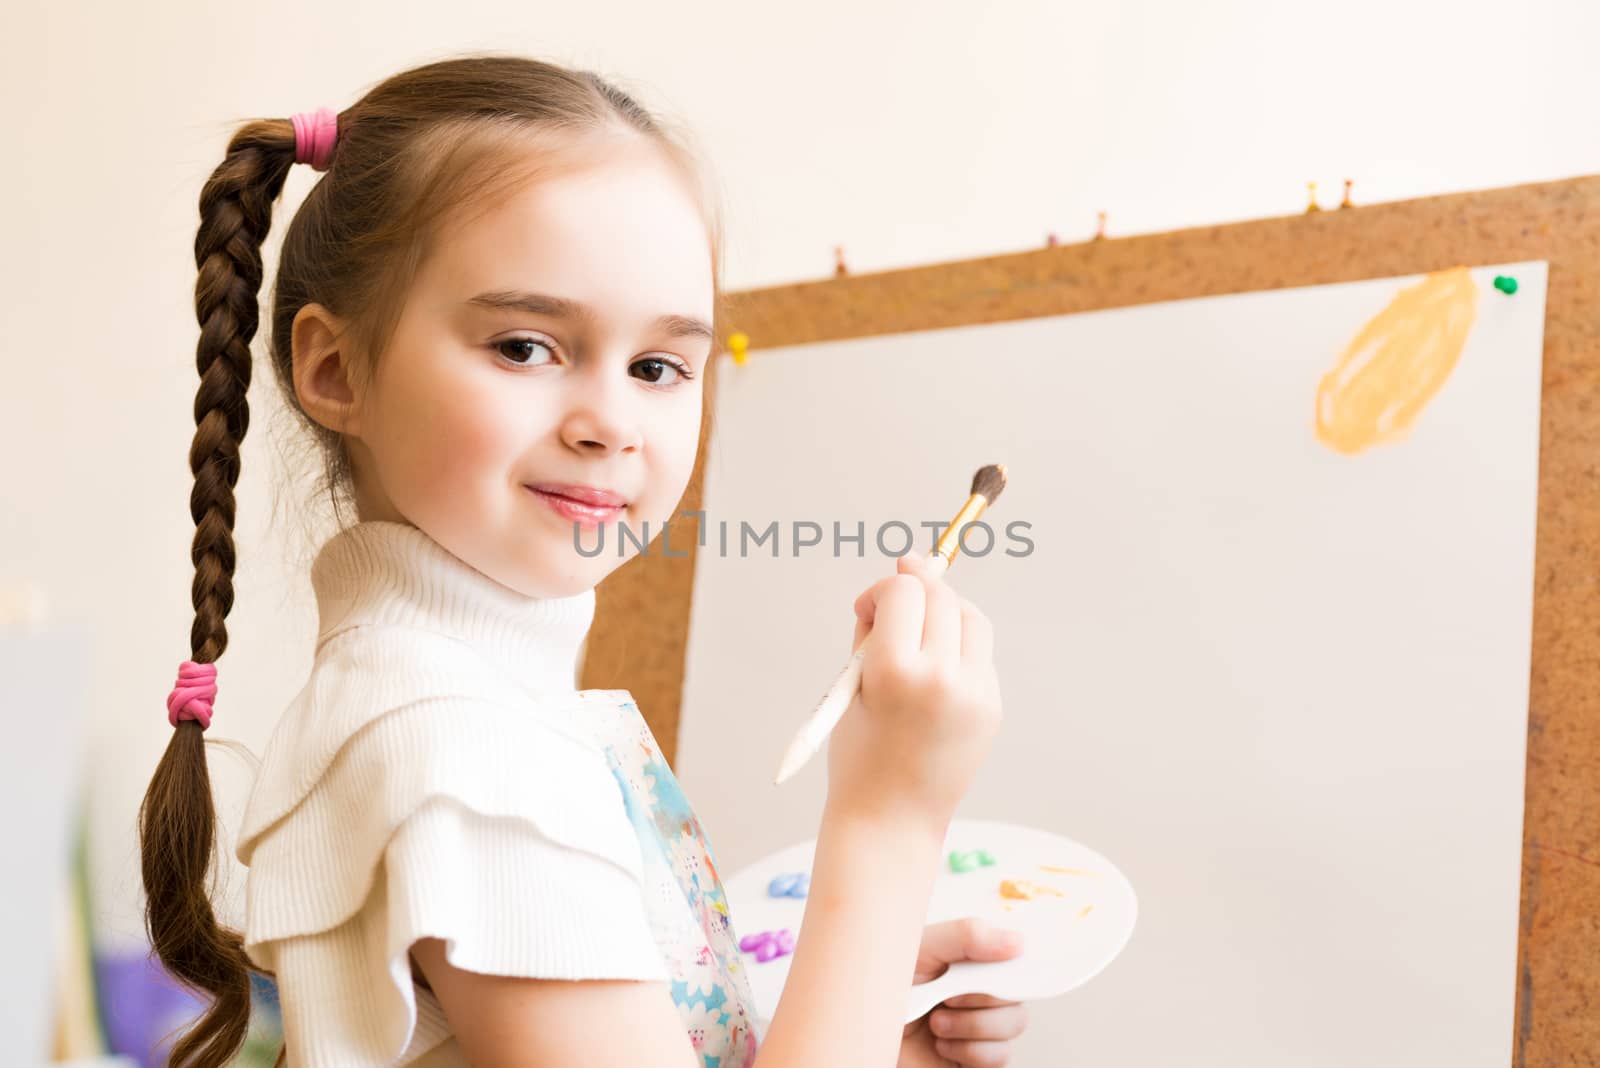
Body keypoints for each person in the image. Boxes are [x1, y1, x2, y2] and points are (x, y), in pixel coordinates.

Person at [139, 53, 1023, 1067]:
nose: (611, 422)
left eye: (657, 366)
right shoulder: (458, 748)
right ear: (336, 368)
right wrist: (891, 816)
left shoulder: (459, 706)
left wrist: (862, 1024)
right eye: (525, 345)